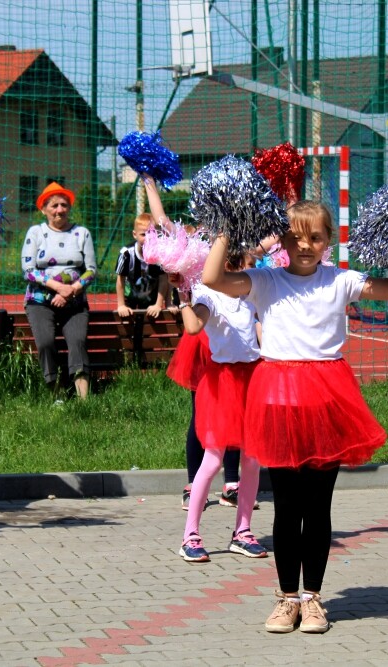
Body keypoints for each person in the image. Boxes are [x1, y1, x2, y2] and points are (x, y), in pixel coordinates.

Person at [202, 201, 388, 634]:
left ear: (328, 241)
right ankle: (285, 598)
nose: (305, 245)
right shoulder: (265, 280)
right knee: (286, 506)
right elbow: (212, 279)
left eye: (316, 237)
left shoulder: (341, 280)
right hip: (278, 400)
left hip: (327, 399)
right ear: (281, 240)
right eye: (296, 236)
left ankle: (313, 599)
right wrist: (227, 227)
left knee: (318, 507)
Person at [142, 175, 244, 509]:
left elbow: (269, 242)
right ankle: (192, 483)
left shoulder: (235, 240)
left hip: (231, 334)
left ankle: (232, 482)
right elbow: (162, 223)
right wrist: (149, 185)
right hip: (202, 335)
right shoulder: (191, 242)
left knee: (234, 409)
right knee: (201, 411)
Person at [177, 251, 267, 563]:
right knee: (213, 459)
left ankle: (242, 532)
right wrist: (182, 299)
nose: (248, 271)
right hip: (222, 382)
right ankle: (190, 535)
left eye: (248, 265)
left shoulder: (251, 294)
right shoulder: (210, 295)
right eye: (242, 265)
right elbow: (192, 327)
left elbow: (255, 330)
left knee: (252, 460)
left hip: (252, 378)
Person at [22, 182, 97, 400]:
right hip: (39, 301)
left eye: (64, 205)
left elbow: (91, 270)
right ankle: (56, 394)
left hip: (74, 302)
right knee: (45, 342)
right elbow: (28, 270)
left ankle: (84, 400)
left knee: (77, 342)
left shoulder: (82, 233)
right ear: (43, 209)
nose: (59, 210)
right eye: (54, 205)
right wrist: (58, 287)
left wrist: (71, 291)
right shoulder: (35, 233)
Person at [115, 213, 168, 318]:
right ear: (135, 235)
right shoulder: (126, 254)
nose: (148, 238)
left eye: (151, 234)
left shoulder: (160, 254)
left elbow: (164, 279)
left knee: (149, 325)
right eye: (143, 234)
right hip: (130, 298)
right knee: (126, 326)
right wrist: (121, 305)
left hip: (151, 299)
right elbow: (120, 280)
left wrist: (158, 304)